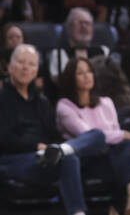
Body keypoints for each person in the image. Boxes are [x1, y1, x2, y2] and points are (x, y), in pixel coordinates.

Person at [0, 45, 108, 215]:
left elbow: (54, 134)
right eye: (21, 62)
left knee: (97, 136)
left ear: (36, 72)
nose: (25, 67)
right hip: (13, 160)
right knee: (68, 158)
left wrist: (54, 147)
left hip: (45, 156)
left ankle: (61, 151)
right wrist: (37, 147)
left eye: (31, 64)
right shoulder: (2, 98)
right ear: (10, 67)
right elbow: (3, 138)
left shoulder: (42, 102)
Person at [54, 57, 130, 215]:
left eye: (89, 71)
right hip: (87, 160)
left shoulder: (106, 102)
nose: (87, 76)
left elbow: (114, 135)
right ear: (70, 78)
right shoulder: (65, 106)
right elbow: (89, 136)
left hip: (111, 156)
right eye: (80, 73)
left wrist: (121, 137)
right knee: (128, 149)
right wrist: (125, 134)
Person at [47, 7, 112, 80]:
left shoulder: (103, 51)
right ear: (69, 28)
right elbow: (59, 81)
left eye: (87, 23)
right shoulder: (58, 53)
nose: (84, 27)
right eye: (80, 23)